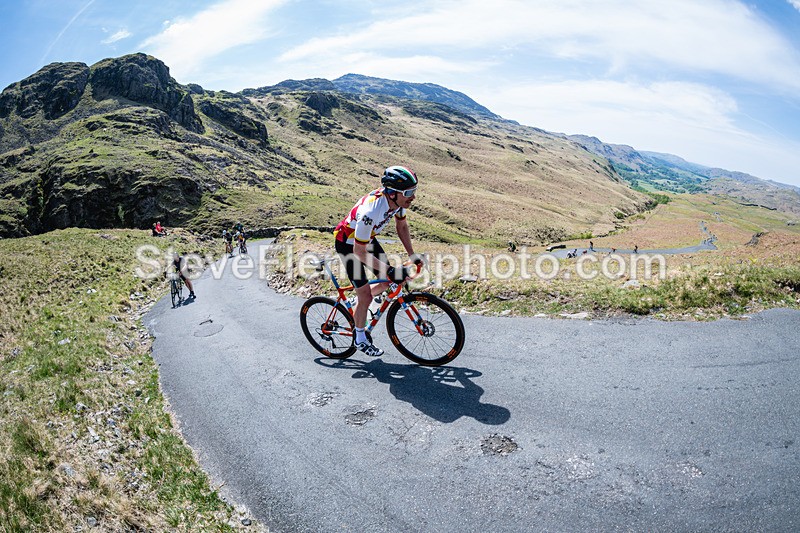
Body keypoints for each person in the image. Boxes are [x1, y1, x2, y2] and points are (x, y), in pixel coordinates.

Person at [334, 165, 422, 357]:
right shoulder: (370, 212)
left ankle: (358, 305)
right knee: (367, 293)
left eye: (414, 191)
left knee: (386, 281)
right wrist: (390, 270)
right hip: (349, 245)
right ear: (392, 193)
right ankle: (359, 338)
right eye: (408, 192)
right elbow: (359, 252)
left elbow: (402, 226)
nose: (413, 197)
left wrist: (412, 255)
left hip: (367, 240)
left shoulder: (398, 203)